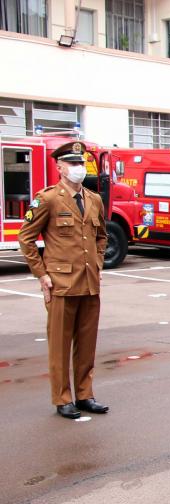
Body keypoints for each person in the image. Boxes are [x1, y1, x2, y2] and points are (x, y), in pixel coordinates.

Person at [18, 141, 109, 419]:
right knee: (60, 344)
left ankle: (85, 394)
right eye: (72, 163)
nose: (78, 168)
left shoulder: (94, 199)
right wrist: (42, 274)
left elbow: (101, 236)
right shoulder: (48, 199)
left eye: (81, 163)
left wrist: (98, 262)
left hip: (89, 282)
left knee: (87, 342)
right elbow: (26, 237)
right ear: (59, 167)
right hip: (61, 283)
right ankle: (62, 397)